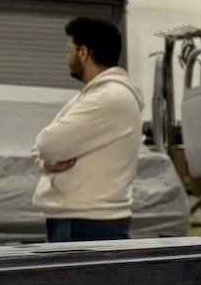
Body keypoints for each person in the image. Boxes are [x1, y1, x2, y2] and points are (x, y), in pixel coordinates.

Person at [33, 17, 143, 242]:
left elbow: (47, 144)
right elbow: (43, 149)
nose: (67, 55)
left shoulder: (107, 97)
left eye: (69, 48)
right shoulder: (91, 96)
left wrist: (46, 156)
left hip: (89, 224)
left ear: (83, 52)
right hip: (79, 219)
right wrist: (45, 161)